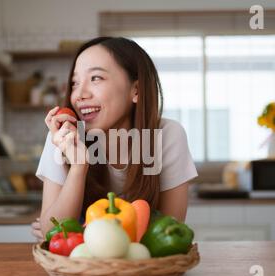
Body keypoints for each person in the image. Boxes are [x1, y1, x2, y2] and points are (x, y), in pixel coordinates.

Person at [32, 37, 197, 241]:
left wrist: (85, 233)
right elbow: (53, 233)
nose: (79, 94)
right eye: (75, 83)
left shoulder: (168, 135)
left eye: (96, 78)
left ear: (135, 90)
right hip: (82, 270)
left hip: (145, 271)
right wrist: (78, 167)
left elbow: (168, 234)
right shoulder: (63, 137)